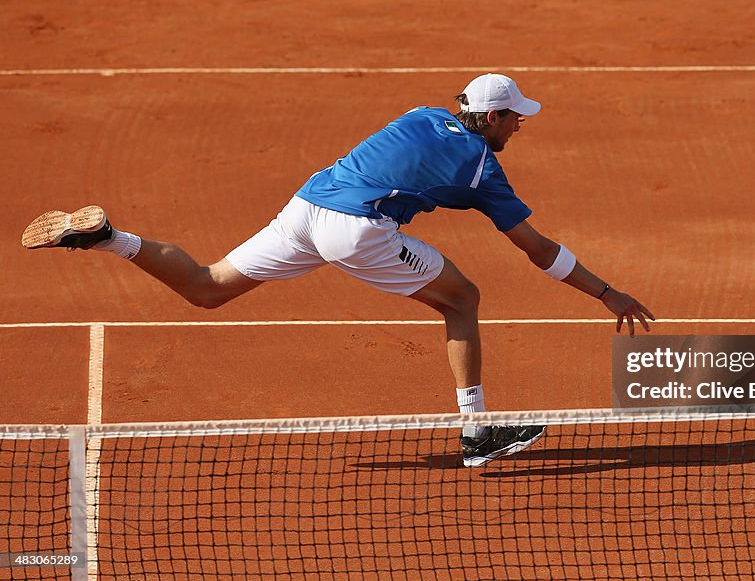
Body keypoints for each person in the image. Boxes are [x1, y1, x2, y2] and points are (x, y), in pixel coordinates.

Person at [21, 73, 655, 467]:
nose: (521, 125)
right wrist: (606, 292)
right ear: (492, 118)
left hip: (309, 202)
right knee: (462, 297)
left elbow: (409, 161)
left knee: (207, 288)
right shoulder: (484, 169)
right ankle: (475, 430)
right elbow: (537, 249)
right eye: (516, 116)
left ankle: (107, 239)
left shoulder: (417, 114)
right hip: (356, 229)